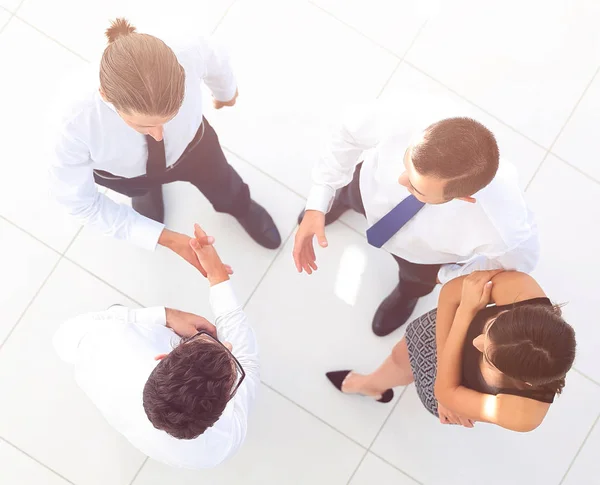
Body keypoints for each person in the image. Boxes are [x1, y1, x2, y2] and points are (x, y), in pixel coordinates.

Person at [49, 18, 281, 277]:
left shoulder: (187, 47)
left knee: (223, 182)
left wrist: (226, 94)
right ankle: (147, 193)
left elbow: (217, 62)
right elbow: (81, 204)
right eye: (143, 126)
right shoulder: (72, 122)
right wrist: (163, 237)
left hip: (195, 147)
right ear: (106, 96)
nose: (158, 136)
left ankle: (240, 206)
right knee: (142, 194)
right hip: (125, 174)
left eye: (168, 118)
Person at [293, 102, 539, 336]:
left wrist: (447, 276)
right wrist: (320, 198)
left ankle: (408, 293)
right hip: (367, 189)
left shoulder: (505, 228)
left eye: (416, 188)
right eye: (406, 162)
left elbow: (510, 268)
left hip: (425, 256)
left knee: (415, 280)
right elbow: (347, 134)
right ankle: (341, 201)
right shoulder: (406, 113)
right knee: (350, 193)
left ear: (464, 198)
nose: (400, 180)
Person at [53, 224, 259, 469]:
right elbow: (247, 355)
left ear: (162, 357)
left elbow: (63, 338)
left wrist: (166, 316)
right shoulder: (221, 446)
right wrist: (217, 276)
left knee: (116, 314)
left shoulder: (111, 342)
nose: (228, 344)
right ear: (228, 398)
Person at [326, 270, 577, 432]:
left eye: (489, 359)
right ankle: (372, 384)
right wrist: (448, 394)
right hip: (444, 332)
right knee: (398, 357)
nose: (477, 343)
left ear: (523, 381)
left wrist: (467, 311)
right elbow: (449, 294)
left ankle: (371, 385)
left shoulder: (525, 415)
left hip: (452, 345)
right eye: (489, 327)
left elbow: (443, 391)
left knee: (404, 359)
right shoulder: (521, 287)